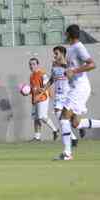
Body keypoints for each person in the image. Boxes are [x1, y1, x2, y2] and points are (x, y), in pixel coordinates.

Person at [55, 24, 100, 160]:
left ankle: (67, 153)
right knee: (75, 123)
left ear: (69, 34)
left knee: (64, 117)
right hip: (77, 88)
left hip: (80, 88)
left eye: (66, 33)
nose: (65, 35)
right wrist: (63, 66)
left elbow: (92, 64)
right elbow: (72, 67)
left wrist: (73, 71)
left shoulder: (79, 47)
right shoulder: (71, 49)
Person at [43, 46, 79, 146]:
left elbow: (70, 69)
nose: (54, 55)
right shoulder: (54, 65)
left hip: (69, 94)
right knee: (60, 118)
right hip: (59, 96)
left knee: (72, 119)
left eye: (56, 53)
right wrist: (43, 89)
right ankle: (73, 138)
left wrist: (59, 64)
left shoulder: (68, 63)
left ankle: (81, 127)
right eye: (54, 53)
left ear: (62, 53)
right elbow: (51, 79)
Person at [28, 58, 59, 141]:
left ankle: (55, 130)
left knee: (42, 116)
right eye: (30, 64)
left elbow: (46, 87)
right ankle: (37, 137)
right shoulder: (31, 76)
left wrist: (51, 96)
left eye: (33, 64)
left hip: (43, 98)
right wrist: (27, 92)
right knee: (36, 118)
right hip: (35, 99)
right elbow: (33, 88)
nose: (31, 66)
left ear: (38, 65)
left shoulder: (42, 74)